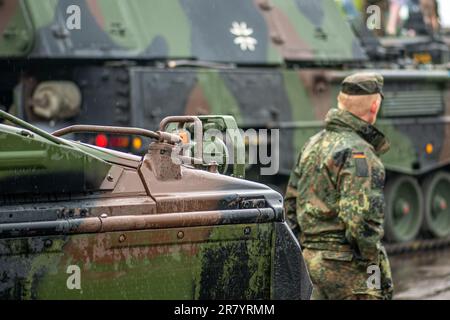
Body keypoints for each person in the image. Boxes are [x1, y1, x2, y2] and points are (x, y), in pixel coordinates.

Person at [284, 72, 394, 300]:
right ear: (374, 107)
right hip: (347, 271)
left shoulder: (312, 144)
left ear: (340, 102)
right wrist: (374, 263)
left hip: (310, 264)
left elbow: (291, 205)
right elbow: (360, 222)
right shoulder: (360, 154)